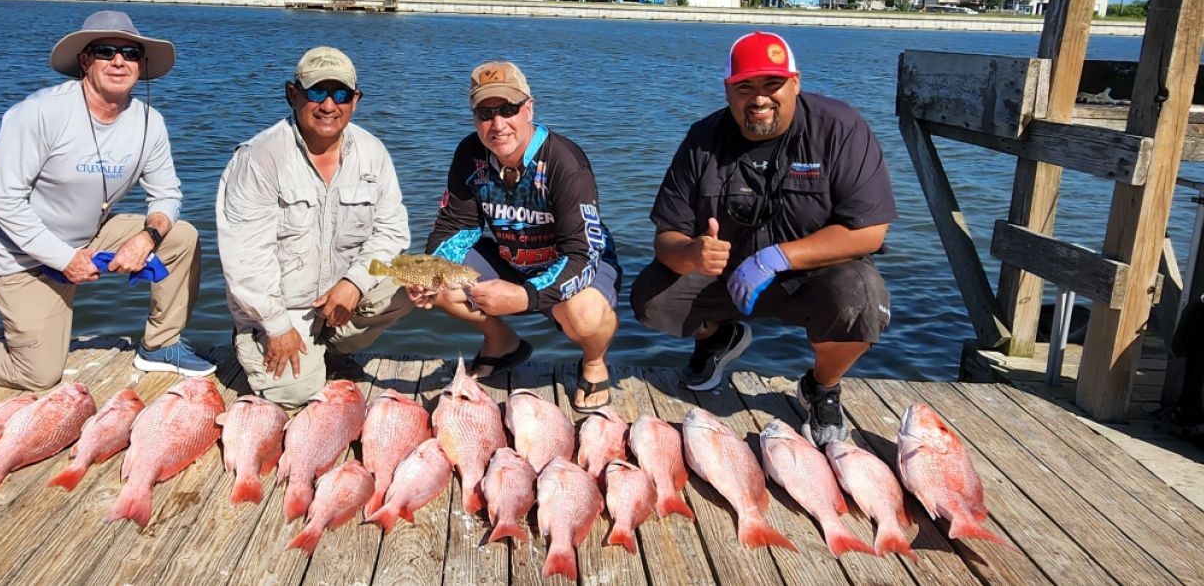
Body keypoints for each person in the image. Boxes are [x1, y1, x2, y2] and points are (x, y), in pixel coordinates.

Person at [631, 31, 896, 447]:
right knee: (650, 294)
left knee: (862, 299)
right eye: (745, 87)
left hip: (813, 274)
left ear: (795, 83)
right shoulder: (702, 138)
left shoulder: (841, 127)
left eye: (772, 84)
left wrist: (779, 257)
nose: (759, 98)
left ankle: (821, 387)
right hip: (725, 277)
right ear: (728, 90)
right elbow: (666, 236)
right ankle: (718, 337)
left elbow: (869, 229)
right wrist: (691, 253)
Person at [0, 10, 210, 390]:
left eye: (131, 53)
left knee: (180, 236)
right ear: (85, 61)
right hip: (22, 256)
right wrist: (64, 259)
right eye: (106, 50)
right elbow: (2, 200)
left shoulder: (151, 122)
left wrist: (147, 237)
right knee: (37, 374)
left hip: (88, 237)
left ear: (141, 65)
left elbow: (167, 194)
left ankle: (160, 345)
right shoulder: (38, 113)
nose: (119, 60)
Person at [419, 61, 621, 412]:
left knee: (586, 313)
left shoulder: (564, 162)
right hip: (512, 257)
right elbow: (455, 227)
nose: (498, 124)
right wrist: (429, 273)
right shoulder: (469, 153)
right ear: (474, 117)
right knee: (435, 278)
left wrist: (525, 297)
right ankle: (502, 343)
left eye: (508, 109)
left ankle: (593, 362)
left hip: (572, 262)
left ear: (529, 108)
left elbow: (583, 255)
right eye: (485, 113)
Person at [217, 46, 411, 408]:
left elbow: (392, 230)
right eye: (316, 92)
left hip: (340, 296)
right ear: (292, 94)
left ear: (356, 100)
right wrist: (275, 326)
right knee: (295, 396)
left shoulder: (373, 152)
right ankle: (257, 338)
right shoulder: (259, 158)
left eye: (340, 94)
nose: (328, 105)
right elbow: (244, 259)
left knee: (410, 279)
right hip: (281, 310)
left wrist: (355, 281)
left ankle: (329, 347)